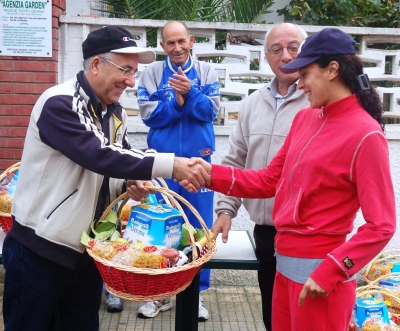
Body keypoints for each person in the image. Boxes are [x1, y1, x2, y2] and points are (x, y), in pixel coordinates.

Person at [181, 27, 396, 331]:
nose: (301, 83)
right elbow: (269, 180)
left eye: (305, 73)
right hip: (283, 270)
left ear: (332, 70)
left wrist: (334, 269)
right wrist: (209, 174)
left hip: (321, 283)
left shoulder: (366, 135)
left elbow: (382, 225)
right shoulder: (305, 119)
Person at [2, 25, 209, 331]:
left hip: (86, 252)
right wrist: (172, 164)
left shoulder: (113, 112)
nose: (131, 81)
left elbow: (116, 163)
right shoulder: (59, 103)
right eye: (126, 70)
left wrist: (129, 183)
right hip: (40, 252)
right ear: (96, 65)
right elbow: (99, 154)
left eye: (134, 72)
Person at [212, 22, 308, 331]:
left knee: (306, 314)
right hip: (265, 231)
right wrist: (226, 209)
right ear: (266, 56)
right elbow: (235, 160)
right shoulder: (252, 103)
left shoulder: (318, 101)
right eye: (277, 49)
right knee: (273, 312)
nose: (286, 55)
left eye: (293, 47)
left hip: (306, 232)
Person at [137, 20, 220, 321]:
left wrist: (192, 95)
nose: (177, 47)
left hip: (199, 161)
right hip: (163, 162)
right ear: (163, 46)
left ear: (192, 40)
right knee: (161, 225)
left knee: (199, 226)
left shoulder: (208, 72)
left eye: (181, 41)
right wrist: (178, 100)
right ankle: (159, 294)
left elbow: (211, 113)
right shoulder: (151, 73)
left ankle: (194, 293)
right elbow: (150, 117)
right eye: (170, 43)